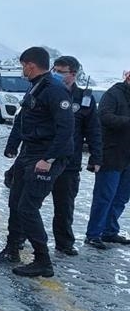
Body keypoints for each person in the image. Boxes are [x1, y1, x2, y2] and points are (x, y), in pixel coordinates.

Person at [0, 47, 74, 277]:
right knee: (15, 201)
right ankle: (12, 248)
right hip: (28, 153)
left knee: (28, 207)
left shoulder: (55, 90)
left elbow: (66, 128)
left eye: (23, 65)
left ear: (31, 64)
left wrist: (49, 158)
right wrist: (12, 145)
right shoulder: (36, 87)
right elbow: (22, 118)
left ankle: (43, 261)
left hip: (45, 155)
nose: (22, 70)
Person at [48, 56, 102, 255]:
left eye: (62, 72)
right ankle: (18, 239)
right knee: (28, 202)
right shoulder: (47, 92)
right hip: (43, 157)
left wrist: (96, 157)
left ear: (74, 74)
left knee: (64, 205)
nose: (58, 75)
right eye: (56, 70)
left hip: (69, 160)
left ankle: (64, 243)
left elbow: (93, 130)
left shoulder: (84, 99)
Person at [85, 69, 130, 249]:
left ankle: (110, 231)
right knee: (105, 196)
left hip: (129, 157)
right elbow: (103, 117)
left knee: (121, 198)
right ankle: (93, 234)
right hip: (111, 154)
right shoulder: (113, 94)